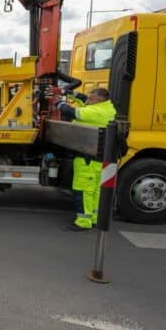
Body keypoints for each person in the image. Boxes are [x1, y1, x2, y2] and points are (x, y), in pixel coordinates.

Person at [52, 87, 116, 231]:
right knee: (94, 191)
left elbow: (72, 112)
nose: (88, 101)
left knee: (82, 190)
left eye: (91, 99)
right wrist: (68, 92)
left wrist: (58, 103)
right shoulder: (107, 107)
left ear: (100, 99)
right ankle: (94, 219)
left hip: (87, 160)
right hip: (97, 159)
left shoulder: (95, 112)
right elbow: (83, 100)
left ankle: (83, 222)